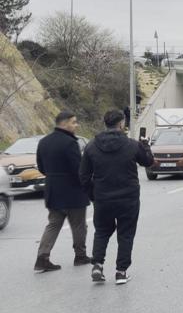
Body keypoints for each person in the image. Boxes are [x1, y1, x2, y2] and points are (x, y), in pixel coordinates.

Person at [79, 110, 154, 284]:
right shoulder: (132, 145)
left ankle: (97, 264)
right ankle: (121, 272)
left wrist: (93, 195)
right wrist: (146, 146)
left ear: (105, 123)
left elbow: (83, 176)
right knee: (126, 233)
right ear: (121, 124)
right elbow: (148, 162)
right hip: (128, 198)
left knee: (102, 231)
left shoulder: (91, 146)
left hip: (103, 198)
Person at [33, 111, 91, 273]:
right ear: (64, 124)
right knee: (79, 225)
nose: (76, 125)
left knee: (53, 225)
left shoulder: (43, 142)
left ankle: (42, 258)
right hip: (73, 191)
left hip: (53, 189)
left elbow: (41, 167)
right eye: (74, 122)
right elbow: (78, 169)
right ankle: (80, 256)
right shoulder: (70, 143)